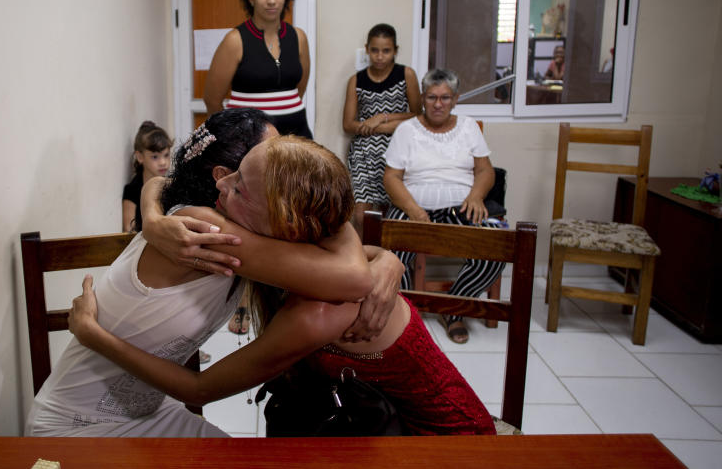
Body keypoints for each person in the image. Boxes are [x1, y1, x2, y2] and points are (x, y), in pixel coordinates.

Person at [69, 135, 495, 436]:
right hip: (378, 426)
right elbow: (160, 183)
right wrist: (155, 216)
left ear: (284, 223)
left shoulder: (319, 309)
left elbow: (197, 389)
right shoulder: (320, 235)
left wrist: (94, 335)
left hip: (442, 443)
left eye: (239, 187)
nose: (222, 184)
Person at [26, 109, 397, 438]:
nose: (284, 157)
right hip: (76, 425)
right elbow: (353, 278)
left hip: (152, 411)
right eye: (270, 154)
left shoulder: (230, 221)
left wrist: (387, 260)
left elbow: (158, 182)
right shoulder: (206, 228)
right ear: (225, 173)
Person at [382, 68, 506, 345]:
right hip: (414, 206)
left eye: (445, 98)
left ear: (455, 99)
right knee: (391, 256)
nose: (438, 104)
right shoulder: (406, 130)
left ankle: (453, 309)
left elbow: (486, 171)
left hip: (461, 205)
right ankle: (403, 316)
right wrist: (414, 211)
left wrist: (476, 196)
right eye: (432, 97)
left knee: (496, 248)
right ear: (423, 99)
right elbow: (391, 177)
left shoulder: (469, 127)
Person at [204, 0, 312, 138]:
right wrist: (233, 137)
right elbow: (212, 100)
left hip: (297, 138)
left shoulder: (298, 37)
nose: (271, 0)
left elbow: (298, 90)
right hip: (249, 142)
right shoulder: (235, 40)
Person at [342, 23, 421, 231]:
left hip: (397, 150)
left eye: (386, 51)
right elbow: (348, 124)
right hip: (364, 153)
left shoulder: (406, 75)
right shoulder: (356, 80)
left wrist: (383, 118)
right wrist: (379, 126)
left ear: (395, 50)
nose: (379, 56)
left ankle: (390, 259)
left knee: (391, 216)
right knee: (361, 217)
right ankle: (363, 261)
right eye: (375, 50)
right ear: (367, 49)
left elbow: (419, 116)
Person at [122, 121, 172, 232]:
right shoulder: (133, 189)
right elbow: (128, 228)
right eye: (155, 157)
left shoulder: (170, 184)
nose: (163, 162)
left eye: (166, 155)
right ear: (140, 157)